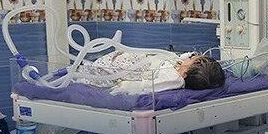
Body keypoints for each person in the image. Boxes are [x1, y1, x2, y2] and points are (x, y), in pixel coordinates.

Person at [78, 51, 225, 95]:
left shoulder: (174, 79)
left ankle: (80, 74)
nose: (191, 56)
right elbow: (179, 58)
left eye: (193, 59)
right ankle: (82, 70)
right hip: (128, 61)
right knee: (94, 69)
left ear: (186, 72)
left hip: (119, 70)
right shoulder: (177, 65)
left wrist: (125, 87)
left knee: (97, 74)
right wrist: (188, 56)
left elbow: (149, 86)